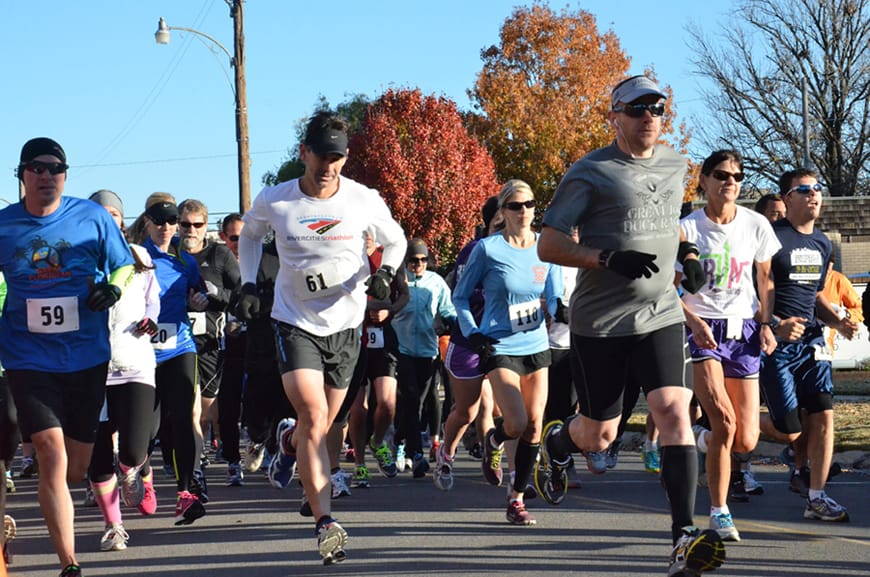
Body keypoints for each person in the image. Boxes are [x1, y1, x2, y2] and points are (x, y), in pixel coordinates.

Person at [536, 76, 726, 576]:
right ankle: (557, 445)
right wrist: (604, 258)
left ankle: (683, 536)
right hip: (600, 323)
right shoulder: (590, 171)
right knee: (599, 436)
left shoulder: (674, 163)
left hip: (660, 312)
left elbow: (669, 219)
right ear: (614, 115)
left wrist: (686, 252)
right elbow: (549, 244)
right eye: (637, 109)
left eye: (657, 109)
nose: (648, 117)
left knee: (672, 410)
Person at [236, 110, 407, 564]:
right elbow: (249, 238)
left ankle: (287, 444)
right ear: (303, 153)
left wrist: (386, 273)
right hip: (294, 322)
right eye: (321, 156)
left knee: (320, 426)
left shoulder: (363, 199)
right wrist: (249, 283)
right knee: (313, 413)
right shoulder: (277, 200)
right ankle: (324, 522)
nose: (328, 167)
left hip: (346, 326)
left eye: (337, 158)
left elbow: (396, 240)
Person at [0, 138, 135, 577]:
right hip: (26, 356)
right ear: (21, 174)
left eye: (55, 168)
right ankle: (68, 563)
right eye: (36, 168)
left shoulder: (92, 218)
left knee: (75, 468)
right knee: (49, 451)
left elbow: (125, 264)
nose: (45, 175)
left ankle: (76, 493)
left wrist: (112, 287)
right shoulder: (4, 226)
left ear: (65, 175)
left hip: (86, 357)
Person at [678, 150, 781, 541]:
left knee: (746, 438)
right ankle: (719, 512)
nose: (730, 182)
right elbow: (667, 289)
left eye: (738, 175)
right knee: (724, 420)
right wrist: (693, 319)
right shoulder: (686, 228)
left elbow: (765, 276)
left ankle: (699, 438)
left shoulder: (756, 224)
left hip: (745, 331)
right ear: (703, 181)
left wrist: (766, 322)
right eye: (721, 175)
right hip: (702, 328)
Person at [453, 179, 562, 525]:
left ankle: (516, 498)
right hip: (499, 345)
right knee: (514, 422)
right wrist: (473, 333)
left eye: (529, 204)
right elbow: (460, 296)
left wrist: (562, 311)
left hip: (536, 344)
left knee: (534, 427)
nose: (524, 212)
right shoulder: (487, 249)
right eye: (515, 206)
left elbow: (554, 293)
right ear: (503, 211)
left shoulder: (546, 246)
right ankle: (493, 438)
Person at [758, 168, 858, 522]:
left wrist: (836, 320)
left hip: (813, 343)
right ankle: (737, 427)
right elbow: (752, 290)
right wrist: (773, 324)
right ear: (786, 200)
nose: (814, 194)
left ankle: (817, 497)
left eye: (817, 188)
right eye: (804, 190)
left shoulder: (823, 243)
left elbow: (815, 294)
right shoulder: (769, 237)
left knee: (824, 415)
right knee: (790, 429)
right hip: (776, 343)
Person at [86, 190, 161, 551]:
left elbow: (153, 301)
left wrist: (151, 320)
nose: (108, 220)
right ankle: (113, 525)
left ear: (122, 220)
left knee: (132, 447)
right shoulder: (78, 261)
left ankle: (138, 469)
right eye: (100, 214)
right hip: (90, 368)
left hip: (134, 362)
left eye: (114, 214)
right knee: (99, 452)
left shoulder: (140, 257)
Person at [140, 194, 210, 526]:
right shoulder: (135, 257)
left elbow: (197, 295)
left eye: (172, 222)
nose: (166, 227)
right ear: (148, 224)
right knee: (150, 428)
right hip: (141, 352)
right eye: (160, 221)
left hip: (180, 346)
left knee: (183, 416)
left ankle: (186, 494)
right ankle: (141, 471)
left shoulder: (186, 260)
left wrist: (199, 300)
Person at [436, 196, 503, 492]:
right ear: (491, 222)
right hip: (470, 341)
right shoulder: (474, 251)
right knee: (468, 410)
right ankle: (446, 453)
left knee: (502, 409)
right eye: (503, 219)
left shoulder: (523, 250)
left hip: (504, 343)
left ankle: (500, 461)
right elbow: (461, 296)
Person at [177, 199, 242, 486]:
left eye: (197, 224)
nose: (191, 230)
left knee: (207, 409)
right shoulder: (171, 253)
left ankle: (209, 451)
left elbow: (240, 294)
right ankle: (195, 464)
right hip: (176, 339)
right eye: (185, 224)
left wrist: (216, 295)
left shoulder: (219, 255)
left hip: (211, 341)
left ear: (206, 227)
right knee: (187, 407)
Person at [391, 238, 457, 478]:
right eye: (413, 260)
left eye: (422, 260)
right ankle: (416, 454)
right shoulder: (398, 281)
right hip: (402, 347)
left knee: (417, 402)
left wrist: (453, 321)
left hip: (428, 350)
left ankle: (398, 439)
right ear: (405, 261)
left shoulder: (436, 282)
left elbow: (447, 307)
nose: (418, 265)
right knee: (409, 396)